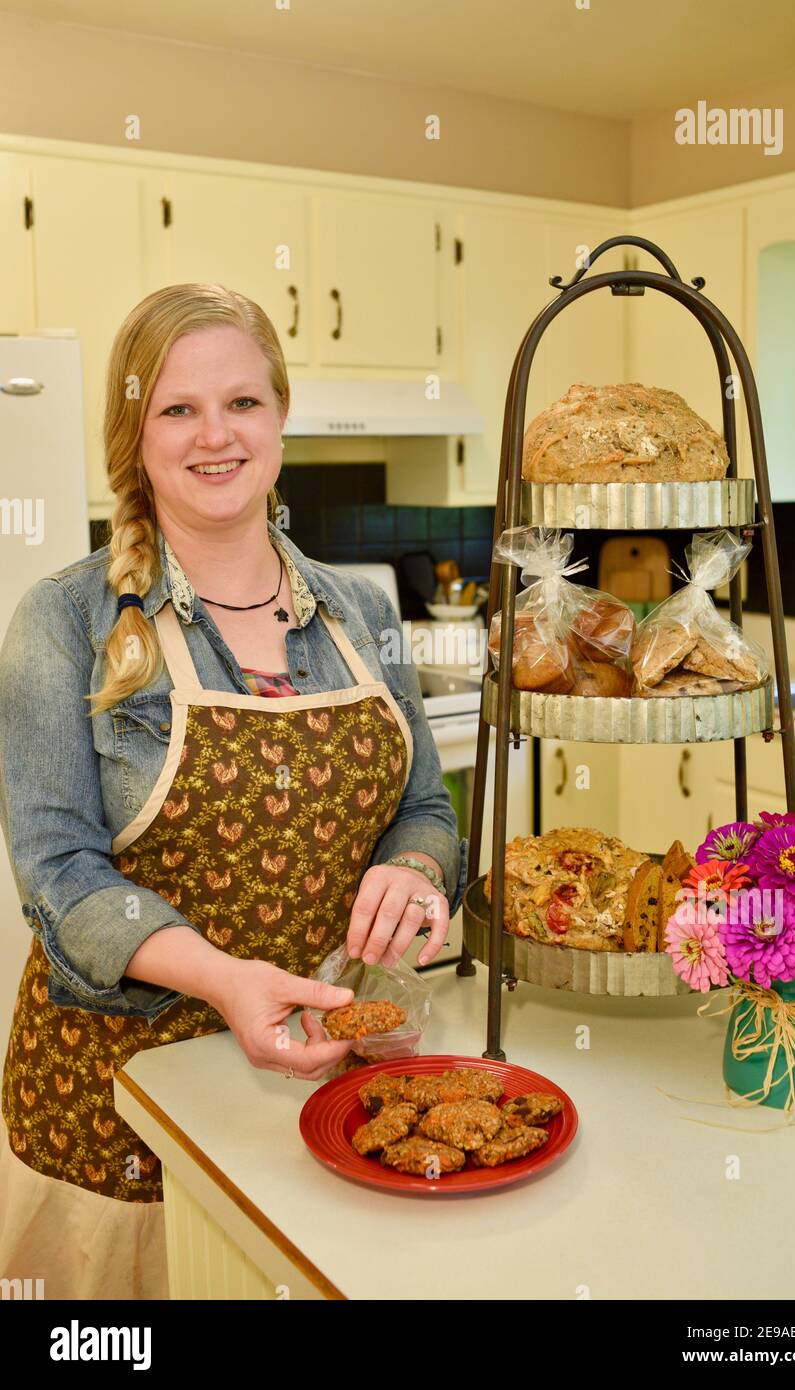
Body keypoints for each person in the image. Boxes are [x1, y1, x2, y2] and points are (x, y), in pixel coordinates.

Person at [0, 283, 467, 1299]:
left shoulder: (356, 610)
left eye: (243, 403)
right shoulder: (64, 621)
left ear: (279, 416)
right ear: (136, 436)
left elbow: (428, 810)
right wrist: (224, 977)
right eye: (179, 409)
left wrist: (415, 870)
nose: (217, 434)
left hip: (329, 1096)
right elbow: (62, 877)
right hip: (120, 1125)